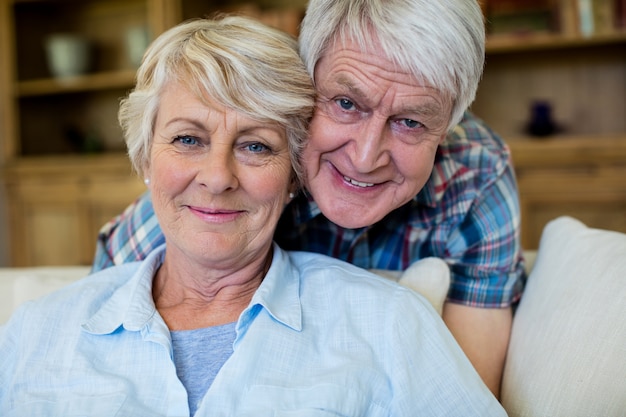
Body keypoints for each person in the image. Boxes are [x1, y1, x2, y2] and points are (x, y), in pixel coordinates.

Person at [0, 16, 506, 416]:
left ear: (294, 175)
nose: (217, 177)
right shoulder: (40, 330)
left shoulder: (391, 322)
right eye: (187, 139)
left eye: (256, 146)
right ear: (144, 158)